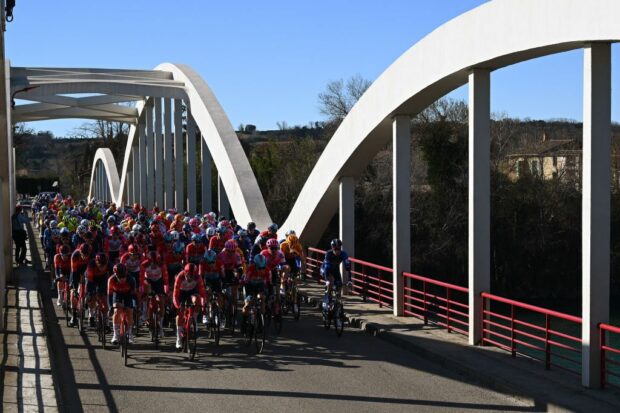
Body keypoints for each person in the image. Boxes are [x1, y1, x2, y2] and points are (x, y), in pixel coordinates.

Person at [172, 263, 207, 349]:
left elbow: (202, 294)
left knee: (197, 299)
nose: (191, 278)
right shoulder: (180, 277)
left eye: (193, 276)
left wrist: (203, 304)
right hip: (181, 293)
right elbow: (175, 295)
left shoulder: (198, 278)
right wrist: (177, 306)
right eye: (189, 276)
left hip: (192, 292)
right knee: (179, 316)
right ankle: (178, 339)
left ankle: (194, 318)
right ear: (185, 273)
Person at [108, 263, 137, 344]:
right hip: (117, 294)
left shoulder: (131, 279)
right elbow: (109, 295)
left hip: (128, 294)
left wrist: (134, 305)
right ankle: (115, 334)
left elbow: (134, 295)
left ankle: (130, 334)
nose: (122, 279)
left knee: (130, 312)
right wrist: (110, 306)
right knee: (117, 311)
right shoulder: (111, 280)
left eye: (123, 276)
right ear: (115, 274)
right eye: (120, 277)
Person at [321, 239, 352, 304]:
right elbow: (327, 268)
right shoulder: (328, 254)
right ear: (332, 248)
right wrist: (327, 280)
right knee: (330, 282)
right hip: (326, 269)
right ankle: (327, 295)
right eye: (335, 249)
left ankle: (338, 302)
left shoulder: (343, 254)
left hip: (335, 269)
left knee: (339, 285)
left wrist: (349, 280)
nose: (337, 251)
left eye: (339, 249)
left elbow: (348, 267)